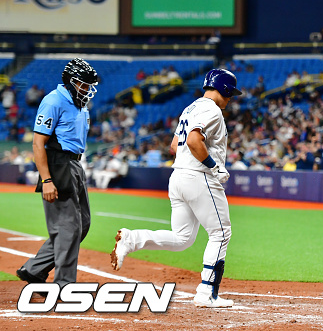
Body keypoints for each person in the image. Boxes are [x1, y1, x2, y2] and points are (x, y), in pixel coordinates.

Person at [110, 69, 241, 308]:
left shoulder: (190, 108)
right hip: (199, 177)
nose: (231, 98)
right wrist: (214, 167)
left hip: (178, 176)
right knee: (220, 233)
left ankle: (132, 238)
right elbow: (192, 141)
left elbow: (174, 145)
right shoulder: (212, 109)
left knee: (182, 239)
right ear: (223, 89)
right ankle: (207, 292)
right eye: (231, 93)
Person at [16, 58, 98, 290]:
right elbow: (38, 143)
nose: (88, 89)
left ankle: (34, 268)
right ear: (71, 82)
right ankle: (64, 285)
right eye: (84, 84)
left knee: (82, 224)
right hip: (58, 163)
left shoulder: (78, 102)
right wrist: (47, 179)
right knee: (68, 227)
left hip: (75, 164)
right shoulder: (54, 100)